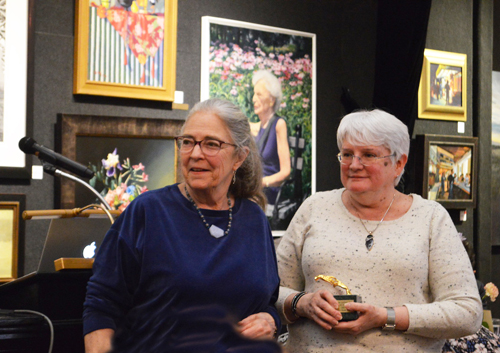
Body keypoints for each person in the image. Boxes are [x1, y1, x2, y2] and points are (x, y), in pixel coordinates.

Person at [83, 98, 282, 353]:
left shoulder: (254, 218)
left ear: (239, 157)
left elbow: (267, 302)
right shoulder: (148, 212)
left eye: (211, 144)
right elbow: (102, 305)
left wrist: (271, 320)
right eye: (188, 142)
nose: (195, 153)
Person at [275, 109, 482, 352]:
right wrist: (301, 302)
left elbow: (466, 312)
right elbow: (270, 290)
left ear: (398, 163)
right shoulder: (313, 208)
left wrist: (386, 317)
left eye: (368, 155)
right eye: (347, 154)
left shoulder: (430, 218)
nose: (354, 165)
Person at [251, 70, 291, 207]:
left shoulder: (279, 125)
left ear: (271, 100)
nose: (253, 99)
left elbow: (286, 172)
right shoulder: (260, 126)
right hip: (256, 188)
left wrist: (262, 182)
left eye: (259, 94)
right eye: (254, 93)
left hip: (269, 191)